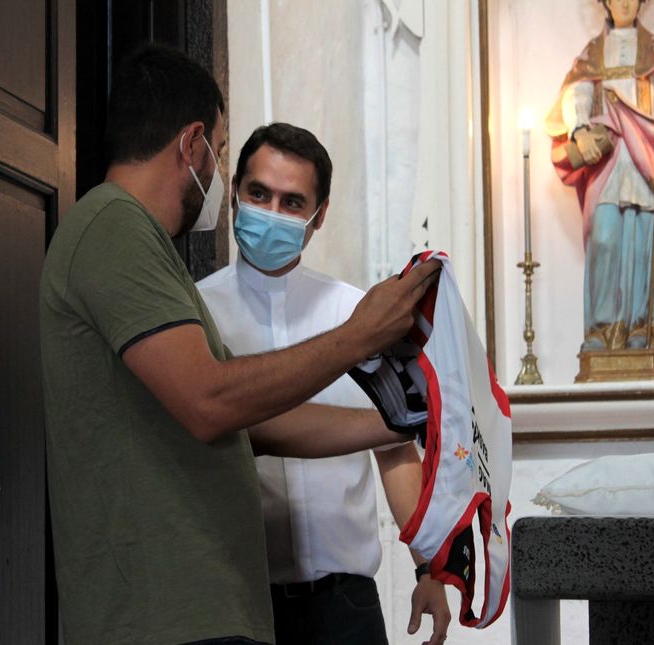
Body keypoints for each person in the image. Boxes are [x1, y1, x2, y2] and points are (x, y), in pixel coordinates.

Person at [39, 45, 439, 645]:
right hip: (165, 609)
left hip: (248, 602)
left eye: (293, 203)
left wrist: (411, 420)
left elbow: (255, 427)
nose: (223, 179)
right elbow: (212, 404)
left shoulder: (146, 247)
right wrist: (359, 336)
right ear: (192, 144)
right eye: (224, 157)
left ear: (317, 215)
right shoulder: (115, 228)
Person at [197, 123, 452, 645]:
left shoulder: (357, 314)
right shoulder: (197, 314)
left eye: (293, 203)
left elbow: (395, 448)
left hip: (346, 604)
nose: (271, 212)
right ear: (236, 194)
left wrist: (429, 567)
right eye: (259, 193)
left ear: (319, 217)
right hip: (237, 603)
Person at [546, 0, 654, 352]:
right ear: (606, 3)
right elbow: (577, 91)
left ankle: (644, 326)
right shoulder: (593, 52)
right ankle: (601, 327)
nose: (625, 2)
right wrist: (580, 127)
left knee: (645, 238)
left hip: (643, 153)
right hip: (610, 158)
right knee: (606, 237)